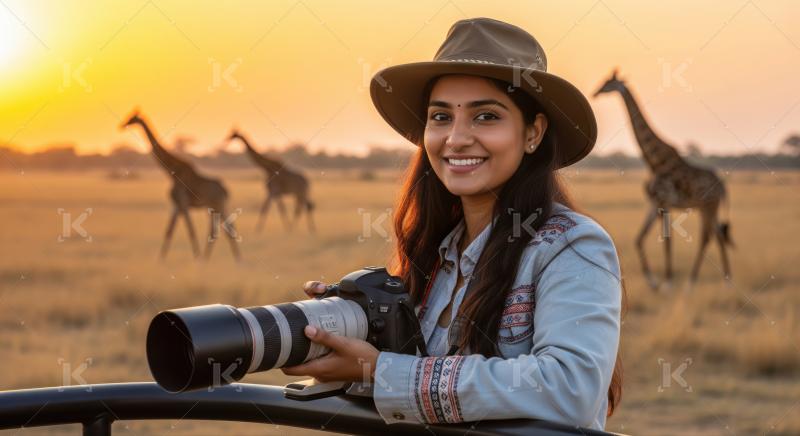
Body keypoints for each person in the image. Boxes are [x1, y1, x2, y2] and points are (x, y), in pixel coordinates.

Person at [283, 17, 624, 431]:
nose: (456, 138)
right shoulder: (436, 251)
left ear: (533, 132)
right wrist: (336, 339)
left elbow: (571, 388)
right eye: (441, 117)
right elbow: (419, 392)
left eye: (485, 117)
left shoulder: (572, 246)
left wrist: (382, 371)